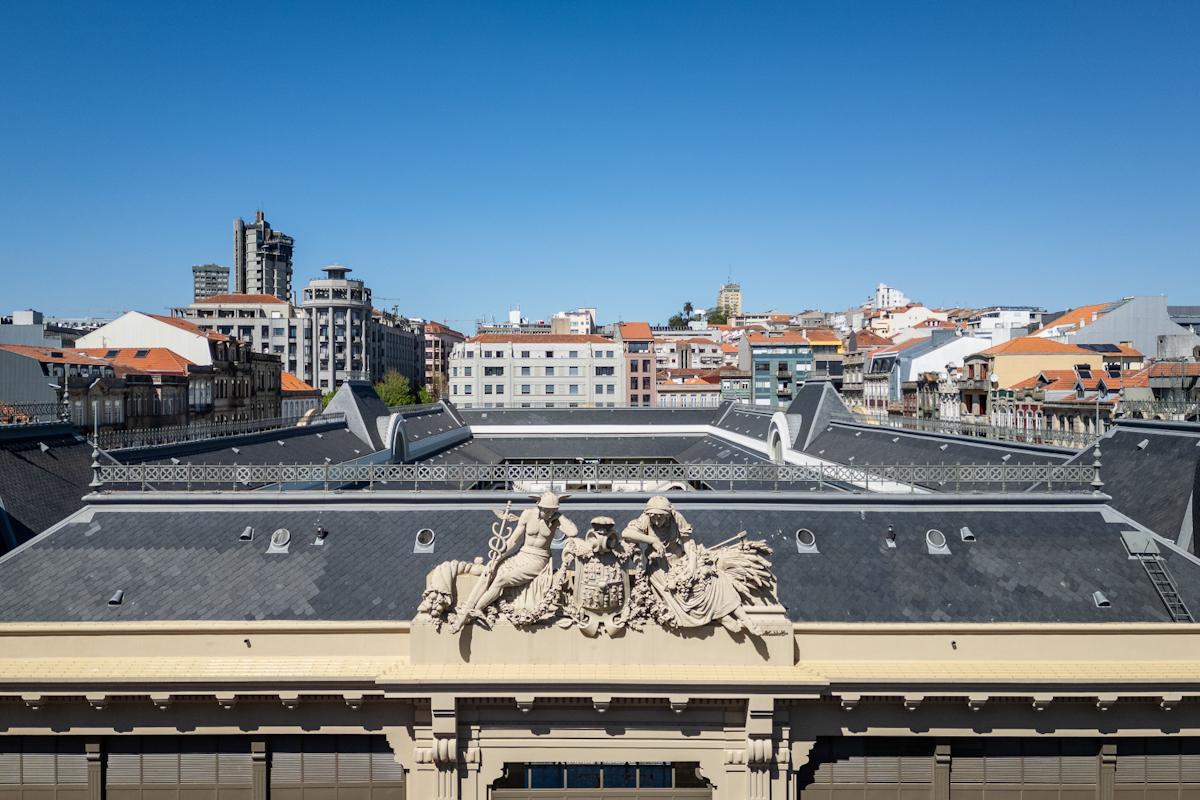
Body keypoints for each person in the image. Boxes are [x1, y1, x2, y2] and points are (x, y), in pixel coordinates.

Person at [621, 496, 760, 635]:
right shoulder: (646, 519)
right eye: (654, 517)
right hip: (660, 568)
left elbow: (687, 542)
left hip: (681, 559)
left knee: (717, 580)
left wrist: (691, 565)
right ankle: (721, 616)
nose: (657, 521)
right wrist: (651, 540)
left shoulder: (677, 518)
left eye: (661, 517)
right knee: (678, 590)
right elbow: (626, 533)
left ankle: (746, 619)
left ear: (668, 515)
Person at [451, 491, 577, 630]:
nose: (549, 514)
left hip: (538, 560)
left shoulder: (555, 519)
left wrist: (560, 516)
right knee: (490, 571)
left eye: (552, 511)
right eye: (546, 511)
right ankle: (469, 607)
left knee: (502, 579)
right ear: (538, 506)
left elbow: (573, 532)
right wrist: (499, 558)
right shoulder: (527, 515)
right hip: (522, 554)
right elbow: (514, 540)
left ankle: (478, 609)